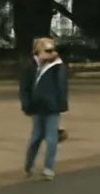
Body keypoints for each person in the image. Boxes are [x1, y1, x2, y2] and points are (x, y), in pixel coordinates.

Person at [20, 36, 69, 180]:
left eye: (52, 50)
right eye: (47, 50)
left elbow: (62, 86)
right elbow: (24, 88)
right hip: (36, 107)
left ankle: (48, 168)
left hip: (52, 107)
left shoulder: (57, 67)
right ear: (37, 51)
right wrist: (26, 105)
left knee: (51, 137)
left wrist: (62, 105)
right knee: (36, 137)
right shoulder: (30, 66)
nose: (51, 53)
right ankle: (28, 166)